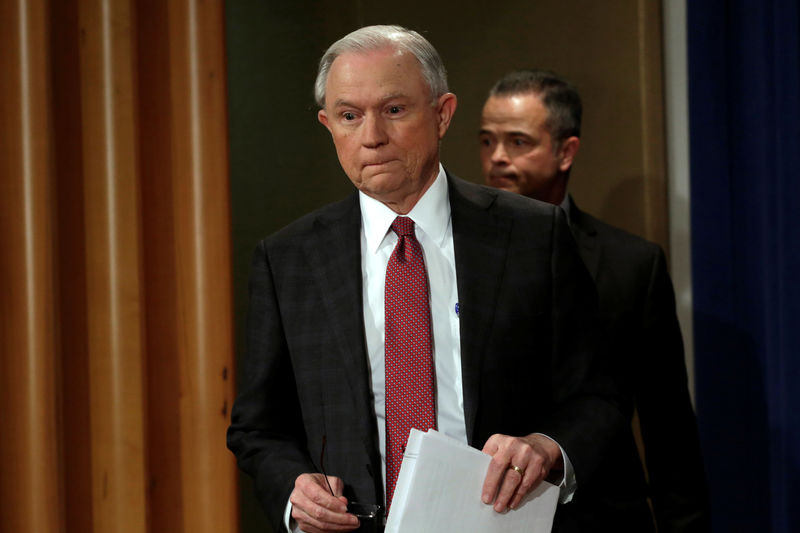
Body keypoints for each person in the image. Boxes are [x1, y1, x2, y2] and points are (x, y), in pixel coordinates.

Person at [228, 28, 626, 533]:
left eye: (394, 110)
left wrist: (546, 447)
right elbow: (258, 426)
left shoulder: (533, 236)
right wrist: (293, 489)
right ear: (329, 125)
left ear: (443, 114)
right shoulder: (288, 259)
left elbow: (599, 396)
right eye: (350, 116)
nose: (372, 136)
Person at [479, 69, 710, 532]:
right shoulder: (454, 251)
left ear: (566, 151)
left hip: (599, 513)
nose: (497, 158)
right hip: (484, 508)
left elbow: (668, 426)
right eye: (486, 141)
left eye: (518, 142)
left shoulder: (631, 264)